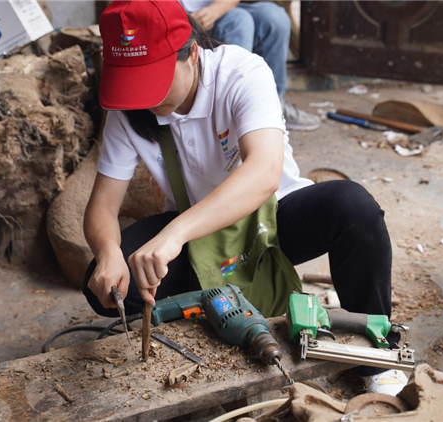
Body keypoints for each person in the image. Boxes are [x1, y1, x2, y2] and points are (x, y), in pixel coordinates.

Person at [82, 0, 407, 395]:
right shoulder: (129, 109)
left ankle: (377, 354)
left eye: (154, 80)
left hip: (273, 220)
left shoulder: (242, 73)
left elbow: (264, 172)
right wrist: (108, 251)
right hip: (201, 238)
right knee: (110, 285)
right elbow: (102, 206)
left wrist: (174, 234)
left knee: (353, 209)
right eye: (134, 82)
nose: (146, 99)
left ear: (192, 53)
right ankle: (207, 317)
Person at [182, 0, 322, 132]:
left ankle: (273, 105)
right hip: (183, 15)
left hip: (217, 8)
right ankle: (231, 113)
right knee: (239, 22)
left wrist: (215, 11)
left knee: (274, 17)